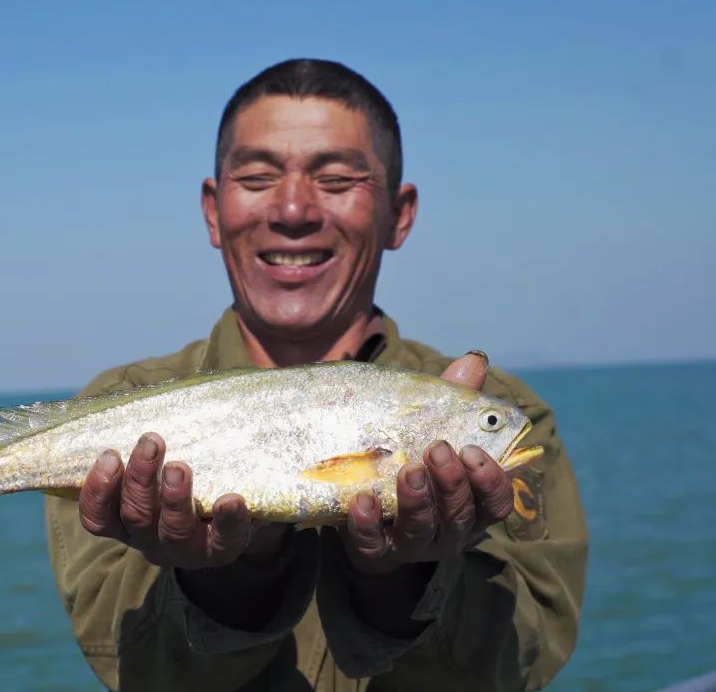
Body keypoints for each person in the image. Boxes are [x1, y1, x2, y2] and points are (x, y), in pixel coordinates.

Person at [44, 59, 587, 691]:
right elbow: (132, 666)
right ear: (213, 211)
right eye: (255, 177)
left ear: (398, 214)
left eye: (336, 179)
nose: (294, 209)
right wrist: (230, 574)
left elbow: (525, 661)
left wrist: (404, 579)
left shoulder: (515, 418)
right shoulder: (118, 410)